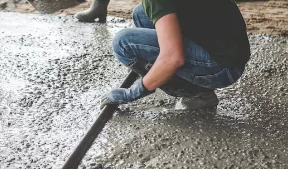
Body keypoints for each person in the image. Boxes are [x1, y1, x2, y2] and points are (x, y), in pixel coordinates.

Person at [100, 0, 251, 109]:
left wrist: (131, 94)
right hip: (231, 47)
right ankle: (164, 73)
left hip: (224, 68)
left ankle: (196, 93)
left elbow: (173, 58)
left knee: (123, 43)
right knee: (141, 13)